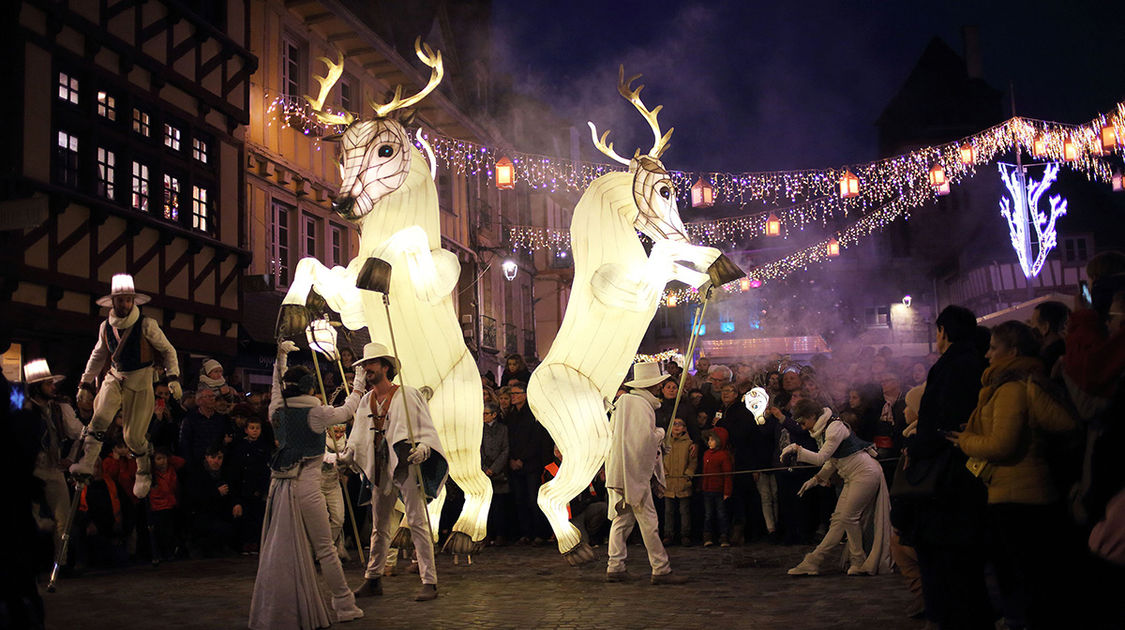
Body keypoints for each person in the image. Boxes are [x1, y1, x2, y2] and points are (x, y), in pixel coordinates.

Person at [951, 321, 1078, 629]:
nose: (988, 354)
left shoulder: (1010, 388)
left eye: (994, 348)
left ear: (1013, 351)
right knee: (1031, 574)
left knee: (1020, 574)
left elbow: (1001, 444)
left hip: (1016, 496)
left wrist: (964, 441)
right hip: (1028, 492)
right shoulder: (1024, 382)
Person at [248, 340, 365, 629]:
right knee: (325, 547)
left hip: (279, 486)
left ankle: (286, 602)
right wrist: (359, 378)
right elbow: (349, 409)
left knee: (281, 546)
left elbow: (276, 386)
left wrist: (281, 356)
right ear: (309, 388)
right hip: (308, 485)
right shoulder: (316, 413)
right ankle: (344, 604)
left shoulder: (276, 408)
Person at [898, 305, 991, 629]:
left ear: (944, 332)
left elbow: (941, 421)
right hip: (961, 473)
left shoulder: (952, 367)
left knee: (945, 558)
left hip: (947, 476)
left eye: (937, 332)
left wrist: (919, 447)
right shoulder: (976, 363)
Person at [346, 342, 448, 603]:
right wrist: (348, 454)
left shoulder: (407, 394)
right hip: (380, 468)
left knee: (417, 521)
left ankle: (430, 581)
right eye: (364, 365)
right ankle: (373, 578)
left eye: (371, 364)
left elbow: (426, 428)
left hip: (405, 464)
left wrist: (424, 449)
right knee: (379, 527)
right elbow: (358, 435)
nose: (366, 368)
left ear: (385, 367)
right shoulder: (366, 400)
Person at [71, 274, 182, 499]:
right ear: (113, 302)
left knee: (133, 437)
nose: (124, 304)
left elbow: (168, 350)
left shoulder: (147, 324)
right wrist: (85, 382)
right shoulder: (105, 327)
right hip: (115, 376)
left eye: (128, 300)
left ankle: (143, 468)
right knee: (100, 417)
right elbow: (98, 355)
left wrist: (173, 377)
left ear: (134, 301)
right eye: (120, 300)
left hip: (140, 381)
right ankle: (87, 462)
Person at [783, 399, 892, 576]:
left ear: (812, 416)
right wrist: (816, 479)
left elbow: (821, 458)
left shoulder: (834, 428)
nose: (803, 427)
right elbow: (833, 461)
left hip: (865, 473)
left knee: (848, 518)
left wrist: (797, 449)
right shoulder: (825, 429)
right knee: (838, 521)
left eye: (803, 422)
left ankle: (857, 561)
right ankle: (815, 561)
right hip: (852, 476)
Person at [604, 362, 687, 584]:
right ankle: (661, 569)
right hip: (635, 471)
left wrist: (658, 445)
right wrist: (660, 435)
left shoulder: (627, 402)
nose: (660, 387)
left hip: (624, 468)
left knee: (623, 520)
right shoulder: (639, 405)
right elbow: (643, 441)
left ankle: (615, 566)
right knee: (648, 521)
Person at [23, 359, 83, 560]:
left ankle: (61, 562)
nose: (52, 387)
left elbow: (79, 434)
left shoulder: (59, 408)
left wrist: (70, 457)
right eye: (47, 383)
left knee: (63, 518)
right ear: (36, 387)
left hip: (54, 467)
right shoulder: (25, 410)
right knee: (30, 518)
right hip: (32, 468)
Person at [505, 380, 553, 543]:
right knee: (520, 499)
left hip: (531, 463)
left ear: (525, 395)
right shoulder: (511, 416)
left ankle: (539, 532)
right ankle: (525, 533)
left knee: (534, 499)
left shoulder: (533, 414)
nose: (513, 397)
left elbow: (536, 440)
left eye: (516, 393)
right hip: (514, 463)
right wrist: (511, 458)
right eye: (511, 394)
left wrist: (522, 459)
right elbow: (508, 439)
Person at [227, 417, 272, 554]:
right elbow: (235, 470)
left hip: (258, 488)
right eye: (252, 428)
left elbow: (265, 470)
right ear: (246, 430)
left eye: (257, 428)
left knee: (257, 517)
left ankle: (256, 543)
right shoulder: (239, 447)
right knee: (245, 518)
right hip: (244, 487)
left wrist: (262, 489)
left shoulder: (264, 447)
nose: (255, 431)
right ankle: (245, 543)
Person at [178, 387, 231, 474]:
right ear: (199, 401)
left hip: (216, 463)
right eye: (208, 397)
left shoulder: (221, 419)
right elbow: (184, 443)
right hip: (197, 463)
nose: (212, 399)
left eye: (213, 396)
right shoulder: (190, 420)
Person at [662, 418, 696, 546]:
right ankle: (668, 534)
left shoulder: (688, 443)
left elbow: (693, 461)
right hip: (669, 482)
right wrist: (663, 472)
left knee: (684, 510)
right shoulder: (665, 442)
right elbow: (660, 458)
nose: (677, 427)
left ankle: (685, 534)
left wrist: (688, 474)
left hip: (683, 482)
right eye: (674, 424)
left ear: (685, 428)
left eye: (680, 424)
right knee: (668, 511)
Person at [480, 402, 510, 545]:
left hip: (499, 471)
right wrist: (484, 467)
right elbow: (477, 449)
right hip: (484, 470)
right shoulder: (479, 429)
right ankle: (487, 533)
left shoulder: (503, 429)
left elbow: (505, 449)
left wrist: (495, 468)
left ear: (494, 414)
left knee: (500, 505)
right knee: (486, 505)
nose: (483, 416)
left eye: (486, 414)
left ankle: (500, 534)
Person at [700, 427, 733, 547]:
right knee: (708, 514)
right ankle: (708, 536)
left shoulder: (723, 456)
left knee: (721, 514)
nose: (709, 442)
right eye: (709, 439)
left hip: (719, 490)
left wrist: (727, 491)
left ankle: (723, 536)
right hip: (707, 489)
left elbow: (727, 475)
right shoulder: (706, 454)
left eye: (712, 439)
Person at [1030, 300, 1070, 377]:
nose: (1031, 329)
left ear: (1045, 327)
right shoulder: (1071, 350)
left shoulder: (1044, 362)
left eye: (1032, 324)